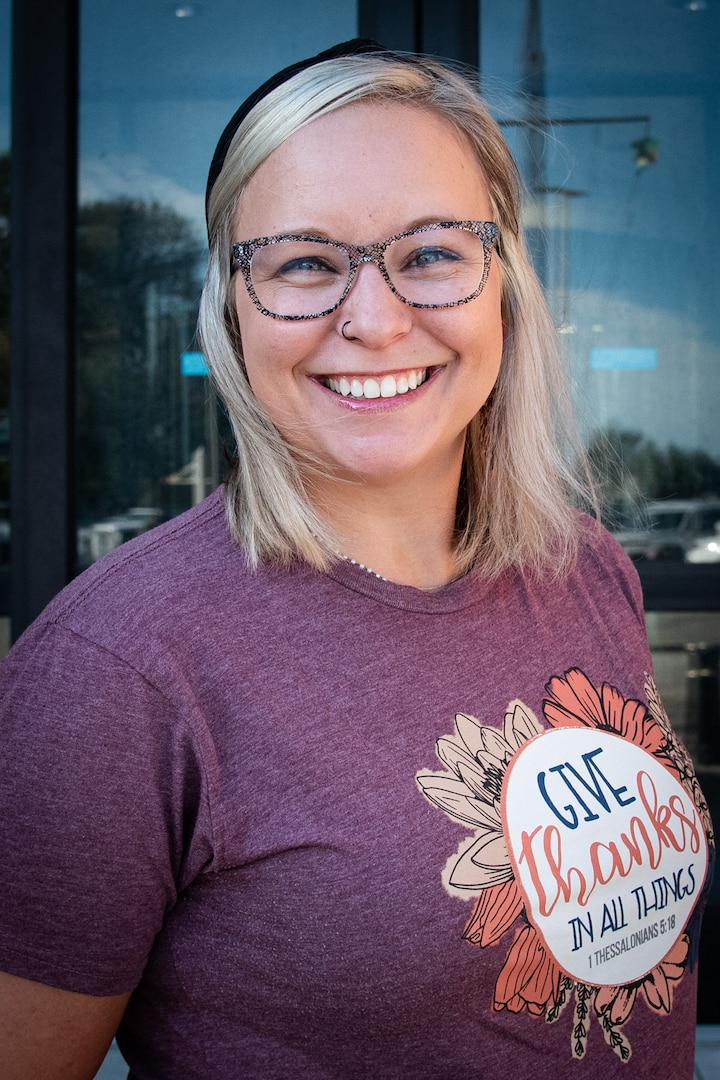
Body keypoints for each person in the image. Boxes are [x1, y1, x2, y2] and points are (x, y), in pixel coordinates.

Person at [0, 38, 713, 1080]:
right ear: (232, 307)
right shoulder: (115, 672)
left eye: (431, 254)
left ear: (504, 284)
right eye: (304, 263)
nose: (374, 321)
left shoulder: (587, 567)